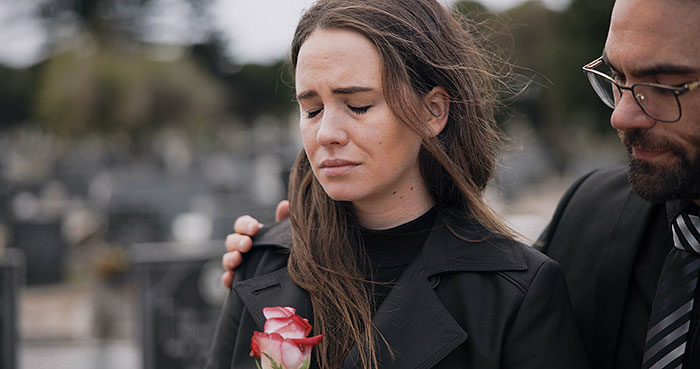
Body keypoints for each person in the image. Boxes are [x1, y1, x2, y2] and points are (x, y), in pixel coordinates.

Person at [222, 0, 700, 368]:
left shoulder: (513, 291)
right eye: (311, 109)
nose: (326, 133)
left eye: (359, 105)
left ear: (434, 110)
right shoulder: (261, 262)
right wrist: (274, 243)